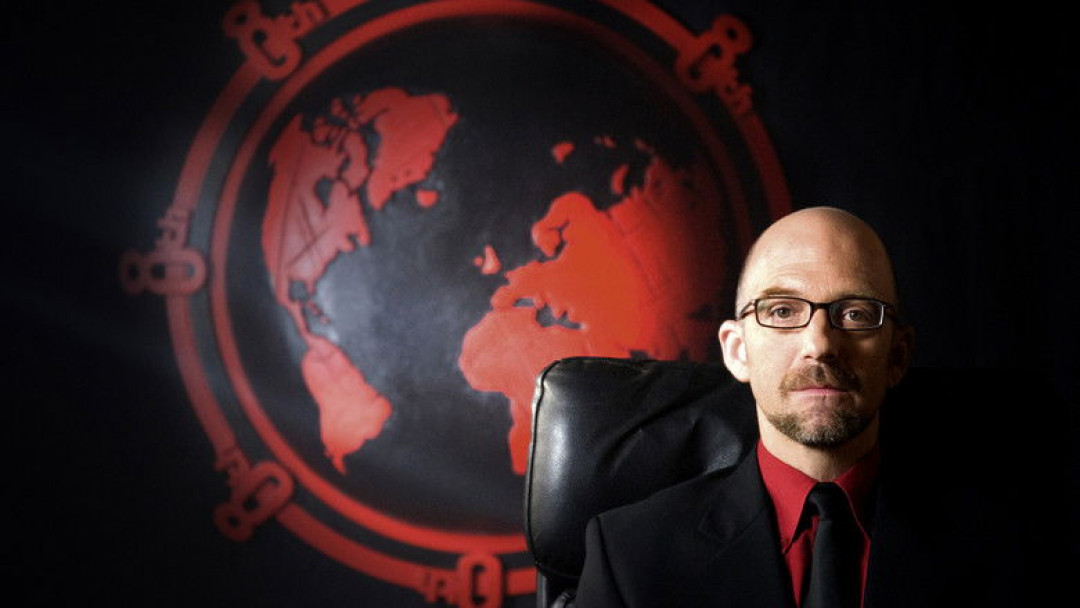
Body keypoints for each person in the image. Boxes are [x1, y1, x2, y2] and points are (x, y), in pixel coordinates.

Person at [571, 206, 1051, 607]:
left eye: (855, 313)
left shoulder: (1010, 548)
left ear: (897, 356)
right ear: (737, 350)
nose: (820, 345)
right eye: (782, 311)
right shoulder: (630, 557)